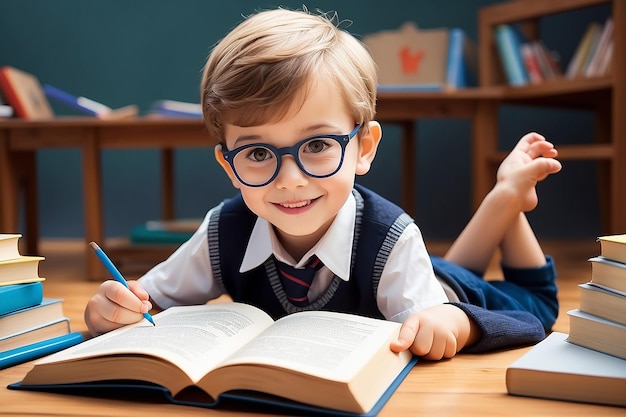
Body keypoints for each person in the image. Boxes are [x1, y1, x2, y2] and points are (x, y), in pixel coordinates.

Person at [84, 8, 562, 360]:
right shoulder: (223, 230)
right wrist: (116, 306)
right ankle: (496, 209)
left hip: (446, 290)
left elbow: (524, 323)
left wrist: (457, 323)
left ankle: (508, 199)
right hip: (418, 277)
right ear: (229, 165)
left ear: (365, 148)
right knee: (448, 273)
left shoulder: (391, 237)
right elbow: (146, 296)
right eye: (256, 153)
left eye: (316, 146)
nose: (290, 181)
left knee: (507, 298)